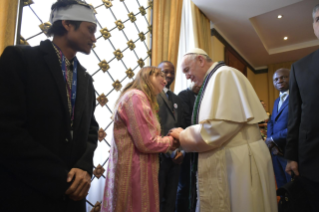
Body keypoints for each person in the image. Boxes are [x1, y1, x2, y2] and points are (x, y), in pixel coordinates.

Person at [0, 1, 99, 212]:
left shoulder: (85, 79)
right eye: (90, 29)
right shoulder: (20, 59)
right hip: (27, 193)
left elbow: (90, 131)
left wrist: (83, 168)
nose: (94, 38)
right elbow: (7, 129)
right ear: (67, 24)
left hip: (72, 200)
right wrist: (60, 177)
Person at [169, 48, 277, 212]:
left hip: (240, 161)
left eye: (187, 70)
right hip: (234, 157)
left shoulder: (224, 75)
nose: (187, 76)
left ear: (200, 60)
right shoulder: (213, 79)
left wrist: (182, 136)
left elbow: (218, 129)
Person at [101, 66, 180, 212]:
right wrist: (173, 140)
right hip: (135, 170)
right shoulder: (136, 97)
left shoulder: (138, 97)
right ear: (147, 76)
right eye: (160, 76)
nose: (165, 80)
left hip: (140, 167)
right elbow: (146, 142)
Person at [285, 4, 319, 211]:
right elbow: (294, 117)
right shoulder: (300, 67)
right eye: (318, 19)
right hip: (312, 160)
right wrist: (292, 156)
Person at [157, 61, 186, 212]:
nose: (169, 75)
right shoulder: (152, 96)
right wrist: (171, 151)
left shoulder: (177, 99)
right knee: (157, 200)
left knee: (171, 200)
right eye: (165, 71)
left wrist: (181, 151)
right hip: (158, 157)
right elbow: (155, 128)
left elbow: (181, 127)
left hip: (176, 160)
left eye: (172, 72)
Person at [176, 83, 200, 212]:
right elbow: (185, 121)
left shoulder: (202, 96)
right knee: (184, 186)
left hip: (197, 146)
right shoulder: (183, 96)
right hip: (186, 145)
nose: (198, 85)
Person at [266, 68, 291, 189]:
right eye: (276, 79)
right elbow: (271, 121)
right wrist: (271, 141)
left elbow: (297, 126)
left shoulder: (297, 98)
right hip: (275, 151)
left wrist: (273, 140)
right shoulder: (276, 101)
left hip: (289, 151)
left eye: (283, 77)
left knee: (293, 187)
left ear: (291, 78)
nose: (279, 80)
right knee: (281, 186)